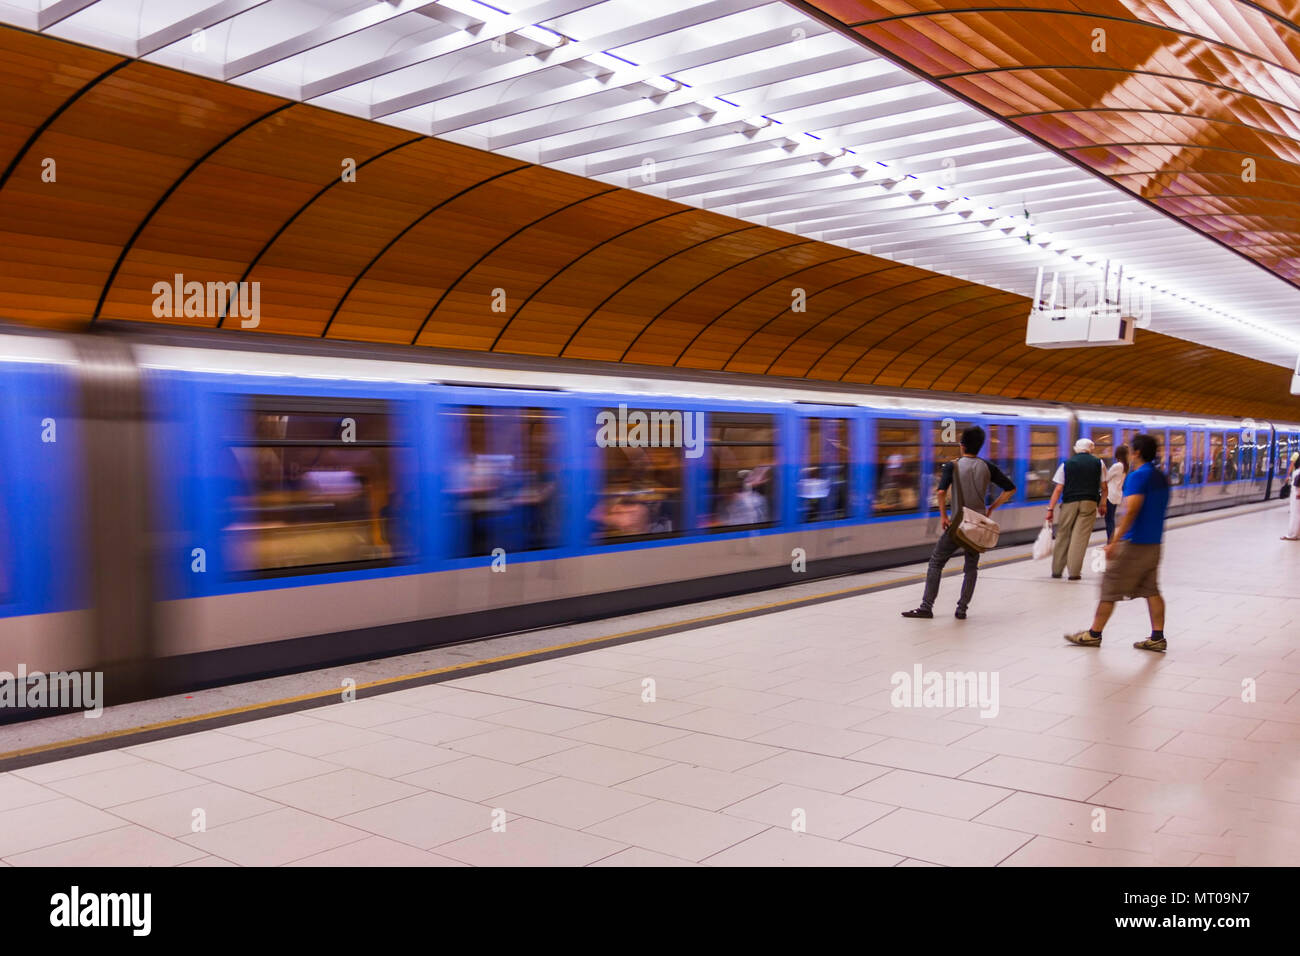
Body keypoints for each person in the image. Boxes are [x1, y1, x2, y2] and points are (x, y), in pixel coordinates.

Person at [1064, 433, 1171, 652]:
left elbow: (1132, 509)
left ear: (1137, 452)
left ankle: (1094, 634)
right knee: (1151, 589)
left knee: (1109, 587)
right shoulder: (1161, 476)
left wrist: (1114, 541)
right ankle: (1157, 637)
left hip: (1134, 543)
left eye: (1132, 449)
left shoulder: (1138, 476)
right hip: (1154, 543)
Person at [902, 425, 1015, 620]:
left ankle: (926, 607)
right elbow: (1010, 489)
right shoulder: (988, 466)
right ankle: (962, 609)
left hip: (957, 524)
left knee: (936, 562)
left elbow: (940, 492)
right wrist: (991, 508)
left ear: (961, 445)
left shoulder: (951, 466)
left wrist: (944, 516)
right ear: (980, 446)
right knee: (971, 567)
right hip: (978, 525)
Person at [1047, 437, 1106, 580]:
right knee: (1080, 538)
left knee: (1063, 535)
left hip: (1069, 503)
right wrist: (1102, 504)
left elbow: (1058, 488)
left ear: (1076, 449)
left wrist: (1050, 509)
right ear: (1091, 449)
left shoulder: (1067, 464)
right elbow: (1104, 487)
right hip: (1089, 503)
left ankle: (1056, 571)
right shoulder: (1099, 463)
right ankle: (1074, 573)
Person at [1104, 445, 1129, 543]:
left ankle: (1110, 541)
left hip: (1110, 495)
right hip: (1117, 495)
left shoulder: (1117, 465)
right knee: (1111, 519)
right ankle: (1111, 540)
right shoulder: (1125, 466)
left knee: (1109, 520)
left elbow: (1106, 477)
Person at [1283, 451, 1300, 541]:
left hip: (1297, 496)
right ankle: (1297, 534)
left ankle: (1292, 534)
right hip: (1297, 495)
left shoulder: (1297, 472)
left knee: (1295, 514)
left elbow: (1298, 485)